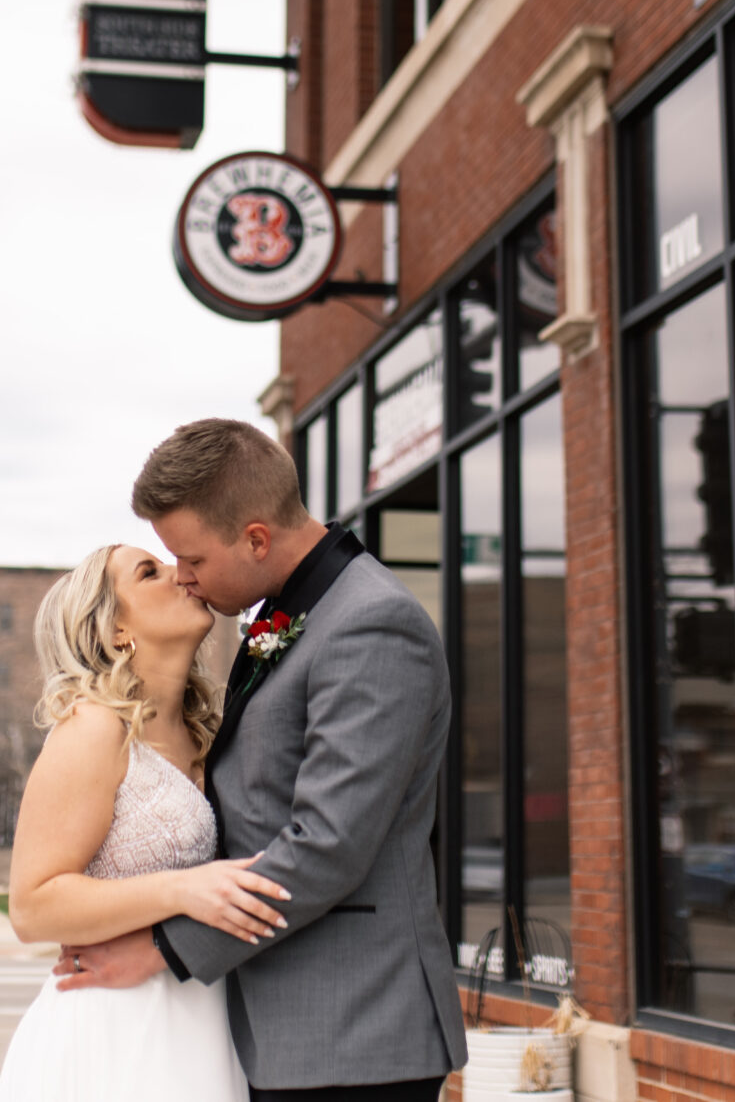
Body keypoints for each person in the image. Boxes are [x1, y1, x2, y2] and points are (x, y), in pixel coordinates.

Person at [53, 418, 467, 1102]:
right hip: (282, 1025)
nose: (184, 577)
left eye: (191, 558)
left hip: (351, 1029)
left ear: (255, 537)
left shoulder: (370, 623)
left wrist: (161, 948)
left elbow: (328, 844)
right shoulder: (294, 609)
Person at [0, 540, 289, 1101]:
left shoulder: (211, 735)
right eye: (149, 572)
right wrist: (181, 889)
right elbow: (31, 906)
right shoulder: (93, 727)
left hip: (204, 1023)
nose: (180, 574)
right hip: (114, 1031)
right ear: (115, 631)